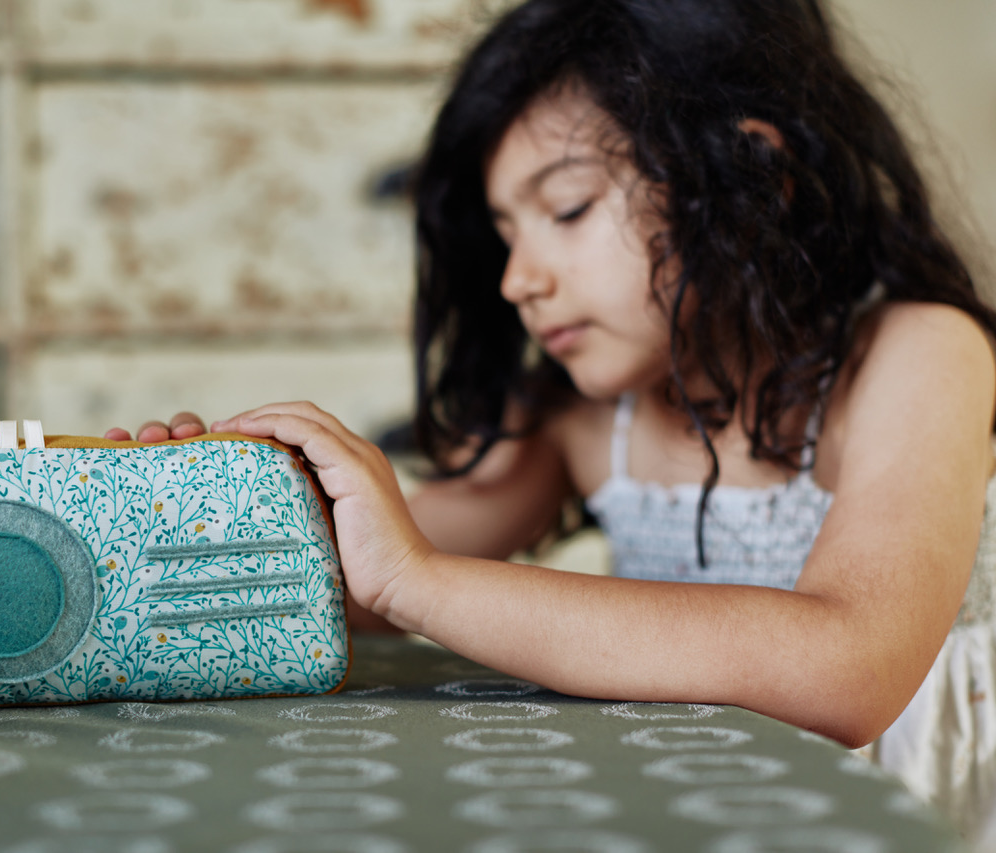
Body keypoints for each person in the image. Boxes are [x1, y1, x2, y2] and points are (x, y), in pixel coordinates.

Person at [106, 0, 996, 839]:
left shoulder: (918, 352)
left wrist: (421, 580)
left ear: (749, 175)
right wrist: (189, 519)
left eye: (566, 209)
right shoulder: (582, 418)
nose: (517, 280)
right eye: (506, 233)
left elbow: (851, 670)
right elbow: (346, 577)